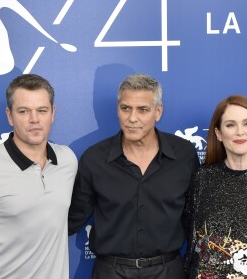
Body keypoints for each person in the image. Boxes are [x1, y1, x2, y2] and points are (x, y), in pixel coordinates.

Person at [68, 73, 200, 279]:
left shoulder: (184, 154)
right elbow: (72, 218)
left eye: (143, 110)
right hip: (111, 271)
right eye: (125, 108)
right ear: (118, 109)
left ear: (158, 112)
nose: (132, 118)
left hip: (168, 270)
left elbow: (195, 217)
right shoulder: (94, 158)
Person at [0, 74, 78, 278]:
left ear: (53, 113)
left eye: (42, 110)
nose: (34, 119)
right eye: (24, 111)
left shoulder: (68, 161)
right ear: (10, 116)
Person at [184, 95, 247, 278]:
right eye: (231, 125)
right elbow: (192, 238)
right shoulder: (201, 179)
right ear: (218, 134)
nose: (240, 132)